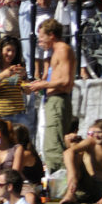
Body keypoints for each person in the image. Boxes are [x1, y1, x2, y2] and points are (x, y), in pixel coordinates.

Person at [24, 19, 74, 172]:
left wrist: (43, 85)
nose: (39, 41)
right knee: (50, 144)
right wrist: (38, 84)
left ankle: (60, 183)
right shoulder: (54, 53)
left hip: (58, 101)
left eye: (41, 37)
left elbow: (65, 80)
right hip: (52, 100)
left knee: (54, 146)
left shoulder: (63, 50)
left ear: (51, 35)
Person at [60, 119, 102, 204]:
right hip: (90, 184)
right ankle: (70, 194)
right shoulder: (91, 143)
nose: (96, 136)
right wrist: (72, 175)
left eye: (99, 133)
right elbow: (68, 153)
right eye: (92, 133)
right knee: (76, 155)